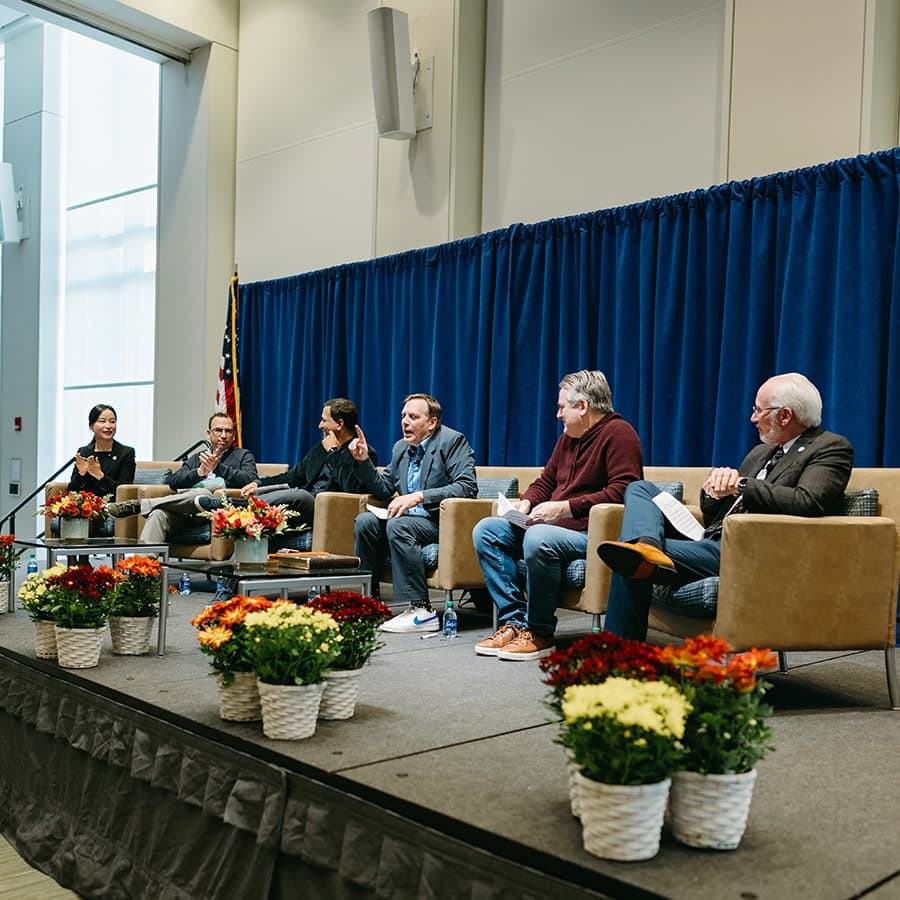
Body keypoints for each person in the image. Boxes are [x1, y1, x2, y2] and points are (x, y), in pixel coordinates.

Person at [598, 373, 854, 641]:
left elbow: (808, 501)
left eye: (758, 410)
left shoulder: (830, 447)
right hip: (710, 540)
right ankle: (647, 544)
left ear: (785, 415)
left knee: (627, 554)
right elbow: (716, 512)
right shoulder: (760, 452)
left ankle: (618, 653)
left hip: (749, 550)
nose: (753, 418)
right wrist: (714, 491)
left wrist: (741, 485)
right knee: (640, 488)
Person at [472, 370, 643, 661]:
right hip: (553, 528)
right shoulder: (568, 439)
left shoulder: (620, 434)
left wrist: (565, 507)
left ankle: (540, 632)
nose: (557, 414)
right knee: (486, 530)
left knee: (539, 537)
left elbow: (624, 490)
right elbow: (546, 482)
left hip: (589, 534)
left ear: (583, 407)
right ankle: (514, 622)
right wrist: (525, 504)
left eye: (562, 407)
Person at [350, 393, 477, 633]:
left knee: (399, 525)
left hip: (439, 522)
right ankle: (370, 600)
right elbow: (385, 488)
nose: (405, 422)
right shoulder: (401, 448)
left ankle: (422, 609)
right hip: (411, 521)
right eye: (403, 416)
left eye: (413, 417)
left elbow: (467, 486)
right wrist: (364, 461)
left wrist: (420, 496)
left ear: (432, 423)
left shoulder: (451, 441)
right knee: (365, 521)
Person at [197, 398, 375, 528]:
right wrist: (259, 483)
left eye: (324, 420)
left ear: (339, 424)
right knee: (292, 493)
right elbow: (293, 476)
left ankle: (228, 505)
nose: (320, 426)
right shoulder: (321, 448)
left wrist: (333, 453)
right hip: (304, 507)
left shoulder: (362, 453)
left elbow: (352, 489)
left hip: (328, 511)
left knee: (300, 495)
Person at [108, 413, 257, 544]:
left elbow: (250, 480)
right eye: (218, 430)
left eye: (228, 431)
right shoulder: (197, 458)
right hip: (182, 510)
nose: (223, 435)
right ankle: (143, 569)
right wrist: (198, 472)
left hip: (212, 513)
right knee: (157, 514)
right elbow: (173, 482)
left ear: (233, 435)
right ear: (209, 433)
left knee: (202, 494)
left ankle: (141, 505)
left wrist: (218, 468)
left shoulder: (242, 455)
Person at [65, 404, 136, 556]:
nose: (108, 426)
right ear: (92, 426)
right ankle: (72, 566)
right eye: (102, 421)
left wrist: (100, 476)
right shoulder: (84, 452)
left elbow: (124, 489)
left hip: (109, 506)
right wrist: (82, 474)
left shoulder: (126, 453)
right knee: (72, 511)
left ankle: (82, 562)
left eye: (112, 421)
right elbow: (72, 489)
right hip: (86, 503)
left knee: (85, 514)